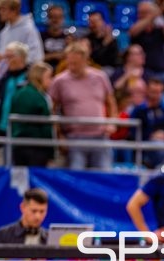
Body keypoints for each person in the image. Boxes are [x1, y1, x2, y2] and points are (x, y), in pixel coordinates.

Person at [48, 40, 117, 170]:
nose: (72, 67)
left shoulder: (100, 77)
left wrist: (111, 123)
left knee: (104, 174)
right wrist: (59, 135)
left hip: (100, 135)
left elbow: (111, 102)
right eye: (69, 63)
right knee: (76, 174)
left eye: (76, 64)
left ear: (85, 60)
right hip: (74, 137)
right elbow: (52, 108)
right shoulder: (60, 81)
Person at [128, 76, 164, 168]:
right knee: (158, 146)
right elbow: (132, 133)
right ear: (147, 91)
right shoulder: (139, 111)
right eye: (153, 92)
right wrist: (151, 136)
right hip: (145, 148)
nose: (156, 96)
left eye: (159, 92)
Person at [9, 61, 54, 167]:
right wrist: (51, 154)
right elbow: (46, 128)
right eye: (49, 77)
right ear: (39, 77)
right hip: (37, 148)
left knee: (20, 181)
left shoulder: (18, 93)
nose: (51, 81)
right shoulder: (40, 98)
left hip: (18, 147)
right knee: (35, 182)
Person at [0, 0, 44, 71]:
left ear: (14, 11)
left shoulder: (28, 29)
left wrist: (7, 59)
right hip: (7, 76)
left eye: (3, 9)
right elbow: (2, 58)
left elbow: (37, 56)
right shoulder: (4, 32)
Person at [129, 1, 164, 75]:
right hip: (142, 73)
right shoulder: (136, 30)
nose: (141, 15)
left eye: (145, 12)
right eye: (140, 12)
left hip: (161, 71)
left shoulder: (159, 30)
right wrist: (161, 9)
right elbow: (132, 32)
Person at [40, 4, 68, 70]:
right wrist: (55, 55)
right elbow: (36, 57)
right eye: (52, 17)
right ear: (48, 18)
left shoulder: (69, 38)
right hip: (44, 70)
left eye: (59, 17)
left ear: (63, 19)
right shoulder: (40, 37)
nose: (56, 20)